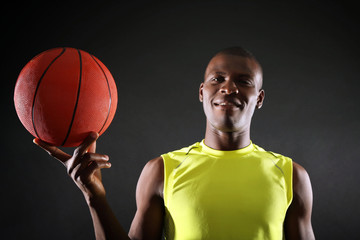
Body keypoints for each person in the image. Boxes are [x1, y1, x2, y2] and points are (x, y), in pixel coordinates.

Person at [34, 47, 315, 240]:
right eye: (218, 79)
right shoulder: (162, 170)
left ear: (260, 98)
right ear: (202, 93)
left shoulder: (291, 176)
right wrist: (94, 196)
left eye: (244, 81)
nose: (229, 88)